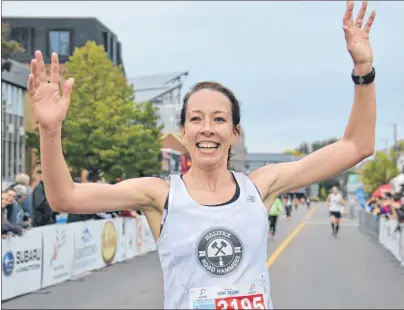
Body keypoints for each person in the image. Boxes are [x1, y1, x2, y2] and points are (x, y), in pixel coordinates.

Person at [27, 2, 376, 308]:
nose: (207, 128)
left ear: (234, 134)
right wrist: (50, 129)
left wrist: (363, 71)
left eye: (219, 119)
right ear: (183, 132)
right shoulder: (158, 195)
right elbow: (64, 197)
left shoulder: (260, 187)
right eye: (196, 119)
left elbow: (356, 146)